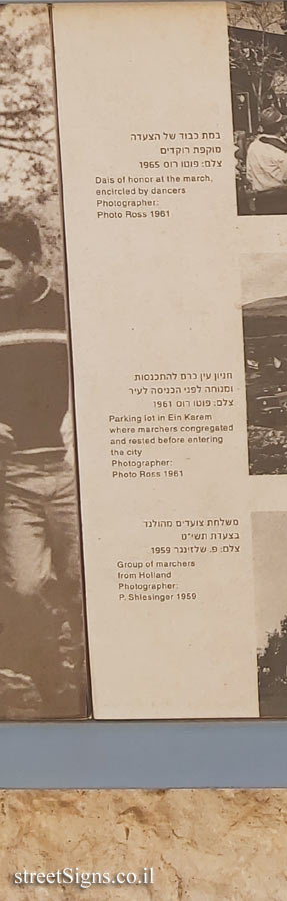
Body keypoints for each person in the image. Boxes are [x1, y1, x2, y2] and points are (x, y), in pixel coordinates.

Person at [0, 214, 84, 714]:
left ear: (35, 262)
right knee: (27, 585)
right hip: (15, 481)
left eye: (6, 266)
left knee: (81, 585)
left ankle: (83, 685)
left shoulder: (66, 313)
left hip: (73, 478)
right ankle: (49, 669)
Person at [244, 108, 287, 214]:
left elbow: (249, 174)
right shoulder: (282, 148)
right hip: (282, 200)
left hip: (261, 200)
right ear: (281, 127)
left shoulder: (253, 146)